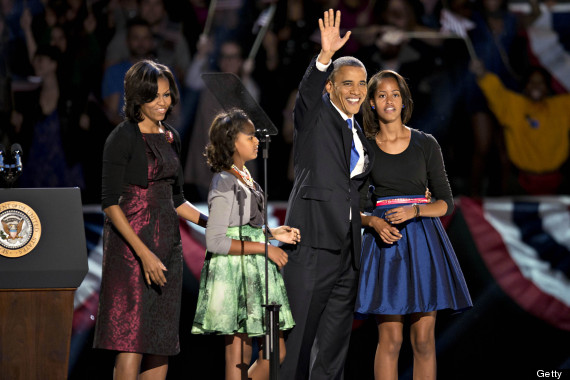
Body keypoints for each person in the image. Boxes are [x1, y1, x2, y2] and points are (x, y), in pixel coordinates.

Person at [93, 59, 208, 380]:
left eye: (167, 95)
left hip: (167, 246)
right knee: (130, 345)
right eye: (155, 96)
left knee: (160, 347)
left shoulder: (171, 136)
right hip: (131, 251)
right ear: (136, 97)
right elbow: (109, 204)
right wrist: (144, 255)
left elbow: (177, 199)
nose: (163, 102)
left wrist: (210, 223)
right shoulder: (122, 137)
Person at [355, 69, 472, 379]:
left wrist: (415, 211)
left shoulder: (425, 143)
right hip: (385, 245)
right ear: (371, 103)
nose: (389, 100)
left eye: (395, 94)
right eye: (382, 95)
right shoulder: (364, 148)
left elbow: (445, 202)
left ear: (404, 101)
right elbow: (351, 207)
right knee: (390, 340)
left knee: (422, 340)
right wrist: (375, 224)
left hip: (423, 244)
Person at [279, 9, 375, 380]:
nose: (355, 91)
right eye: (346, 83)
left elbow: (358, 190)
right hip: (312, 245)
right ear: (330, 88)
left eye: (361, 84)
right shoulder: (314, 117)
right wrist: (323, 58)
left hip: (348, 252)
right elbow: (304, 96)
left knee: (333, 348)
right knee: (297, 343)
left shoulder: (359, 134)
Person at [191, 108, 298, 380]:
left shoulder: (245, 176)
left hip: (255, 272)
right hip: (236, 274)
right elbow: (215, 240)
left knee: (275, 352)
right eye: (249, 136)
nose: (256, 141)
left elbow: (243, 228)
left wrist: (272, 233)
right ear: (231, 141)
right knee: (238, 355)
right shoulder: (225, 181)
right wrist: (265, 247)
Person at [470, 58, 570, 195]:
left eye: (540, 83)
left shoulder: (561, 106)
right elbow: (495, 92)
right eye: (531, 82)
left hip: (557, 183)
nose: (536, 86)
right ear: (525, 87)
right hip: (522, 183)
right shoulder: (515, 106)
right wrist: (482, 73)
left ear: (547, 87)